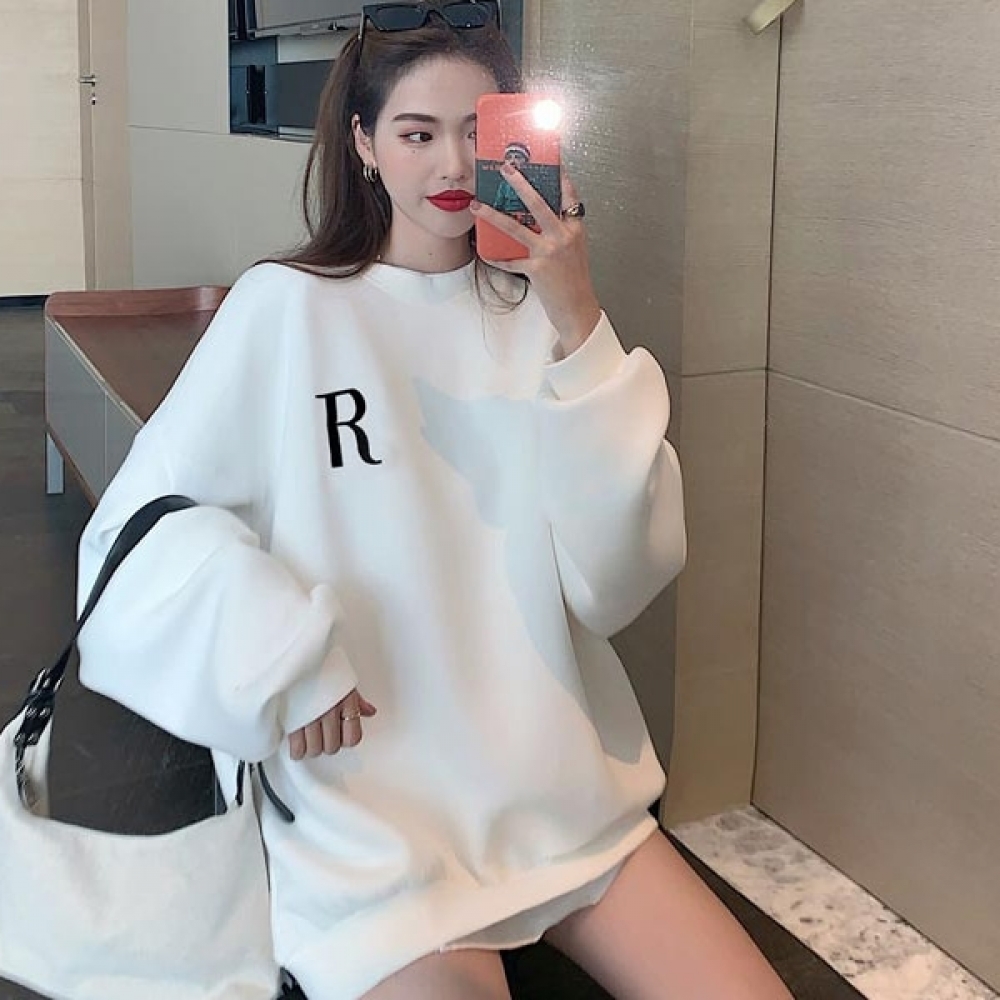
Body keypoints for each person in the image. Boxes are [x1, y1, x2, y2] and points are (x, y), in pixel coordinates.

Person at [74, 3, 796, 999]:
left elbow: (614, 582)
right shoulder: (287, 309)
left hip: (559, 790)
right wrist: (279, 651)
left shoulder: (541, 318)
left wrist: (579, 317)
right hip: (371, 820)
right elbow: (133, 531)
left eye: (475, 132)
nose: (452, 164)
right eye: (417, 134)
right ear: (364, 143)